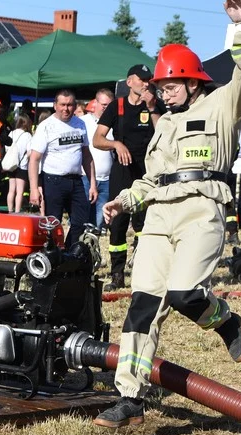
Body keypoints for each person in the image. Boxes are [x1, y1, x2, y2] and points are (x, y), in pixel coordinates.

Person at [94, 0, 241, 428]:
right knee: (142, 306)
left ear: (191, 82)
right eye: (161, 87)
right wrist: (125, 201)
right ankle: (130, 395)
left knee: (187, 294)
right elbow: (153, 179)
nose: (161, 93)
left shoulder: (224, 104)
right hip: (157, 218)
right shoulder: (163, 125)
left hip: (201, 211)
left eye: (169, 86)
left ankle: (225, 321)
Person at [94, 65, 163, 289]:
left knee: (146, 224)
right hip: (122, 172)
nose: (146, 84)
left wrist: (153, 107)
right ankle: (116, 275)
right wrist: (116, 143)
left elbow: (163, 134)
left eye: (148, 80)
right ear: (129, 81)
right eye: (141, 80)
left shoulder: (154, 105)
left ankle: (146, 272)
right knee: (118, 224)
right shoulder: (117, 106)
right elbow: (97, 139)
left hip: (148, 172)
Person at [28, 90, 97, 246]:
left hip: (76, 180)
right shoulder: (46, 126)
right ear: (55, 105)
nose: (66, 109)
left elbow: (86, 155)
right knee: (53, 224)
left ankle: (69, 254)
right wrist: (33, 188)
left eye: (70, 105)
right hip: (53, 181)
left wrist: (93, 184)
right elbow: (34, 159)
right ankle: (53, 258)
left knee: (81, 221)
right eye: (62, 105)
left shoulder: (80, 124)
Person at [82, 89, 113, 232]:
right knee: (82, 219)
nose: (105, 108)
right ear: (95, 103)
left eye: (109, 105)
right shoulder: (84, 122)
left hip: (106, 180)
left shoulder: (114, 123)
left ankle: (91, 248)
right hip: (85, 177)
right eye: (103, 104)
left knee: (98, 223)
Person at [6, 113, 33, 213]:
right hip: (22, 165)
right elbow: (30, 152)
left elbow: (7, 148)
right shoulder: (28, 135)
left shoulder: (11, 133)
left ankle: (9, 210)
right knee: (20, 191)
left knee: (11, 189)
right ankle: (17, 211)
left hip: (11, 164)